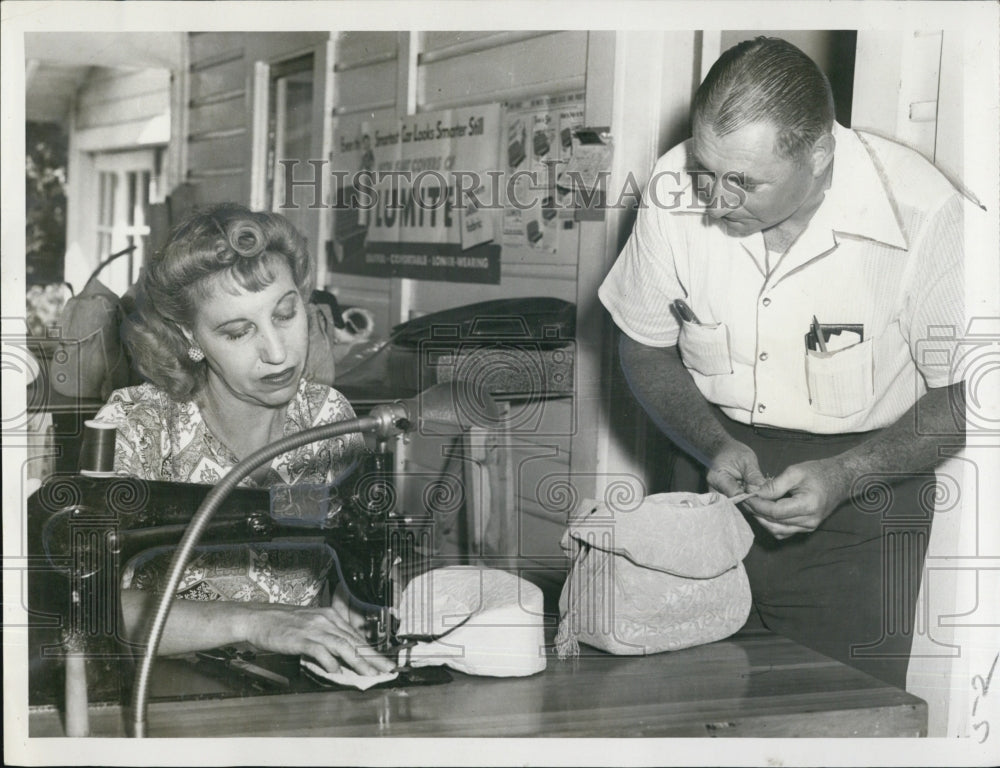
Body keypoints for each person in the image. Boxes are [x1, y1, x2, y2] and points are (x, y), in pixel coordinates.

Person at [598, 37, 970, 688]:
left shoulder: (924, 212)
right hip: (712, 476)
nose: (712, 203)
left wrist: (851, 474)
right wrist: (711, 441)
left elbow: (975, 390)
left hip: (866, 501)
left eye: (742, 182)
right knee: (689, 711)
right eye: (706, 172)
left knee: (834, 722)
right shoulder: (671, 186)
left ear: (819, 157)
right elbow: (643, 343)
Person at [94, 203, 395, 677]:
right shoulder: (137, 424)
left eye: (286, 313)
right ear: (187, 335)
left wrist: (355, 610)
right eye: (238, 332)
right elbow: (90, 606)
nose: (277, 354)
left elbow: (345, 565)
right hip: (160, 685)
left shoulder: (328, 417)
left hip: (285, 687)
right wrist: (254, 622)